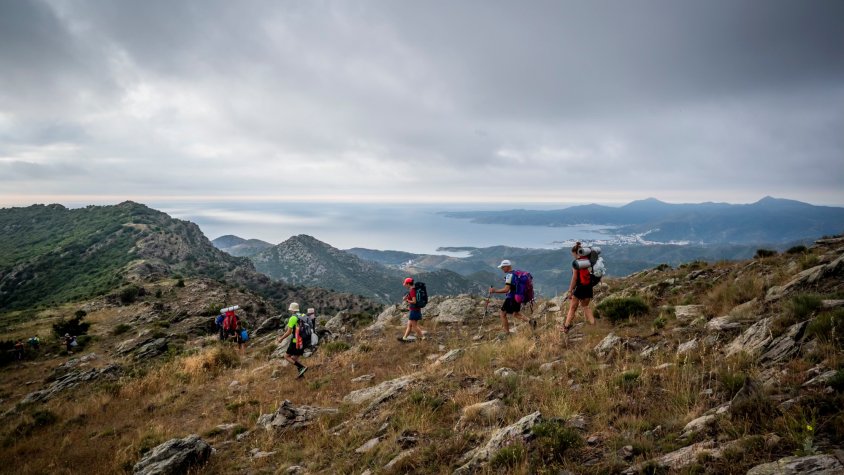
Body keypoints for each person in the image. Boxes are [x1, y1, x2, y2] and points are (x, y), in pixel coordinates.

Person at [489, 260, 535, 335]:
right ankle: (531, 322)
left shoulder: (509, 275)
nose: (502, 269)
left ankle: (507, 333)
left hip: (511, 298)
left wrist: (494, 291)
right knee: (515, 314)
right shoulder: (516, 273)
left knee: (502, 313)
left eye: (503, 267)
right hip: (518, 297)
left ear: (507, 266)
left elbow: (506, 289)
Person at [560, 242, 596, 334]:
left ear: (576, 253)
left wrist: (570, 291)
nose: (573, 256)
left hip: (580, 288)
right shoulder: (587, 260)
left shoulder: (577, 263)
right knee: (585, 307)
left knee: (572, 308)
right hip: (588, 287)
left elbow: (575, 278)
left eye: (573, 254)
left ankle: (566, 327)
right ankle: (594, 325)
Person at [277, 302, 308, 378]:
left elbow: (289, 332)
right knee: (294, 358)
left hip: (296, 341)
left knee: (286, 356)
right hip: (304, 340)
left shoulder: (293, 318)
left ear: (292, 310)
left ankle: (302, 367)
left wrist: (281, 339)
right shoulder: (303, 316)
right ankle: (302, 376)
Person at [398, 278, 426, 342]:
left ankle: (423, 338)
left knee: (414, 326)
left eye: (405, 284)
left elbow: (414, 301)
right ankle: (404, 338)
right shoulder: (413, 290)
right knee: (409, 325)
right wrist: (407, 298)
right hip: (414, 310)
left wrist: (407, 300)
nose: (405, 285)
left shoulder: (412, 291)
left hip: (414, 311)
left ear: (408, 284)